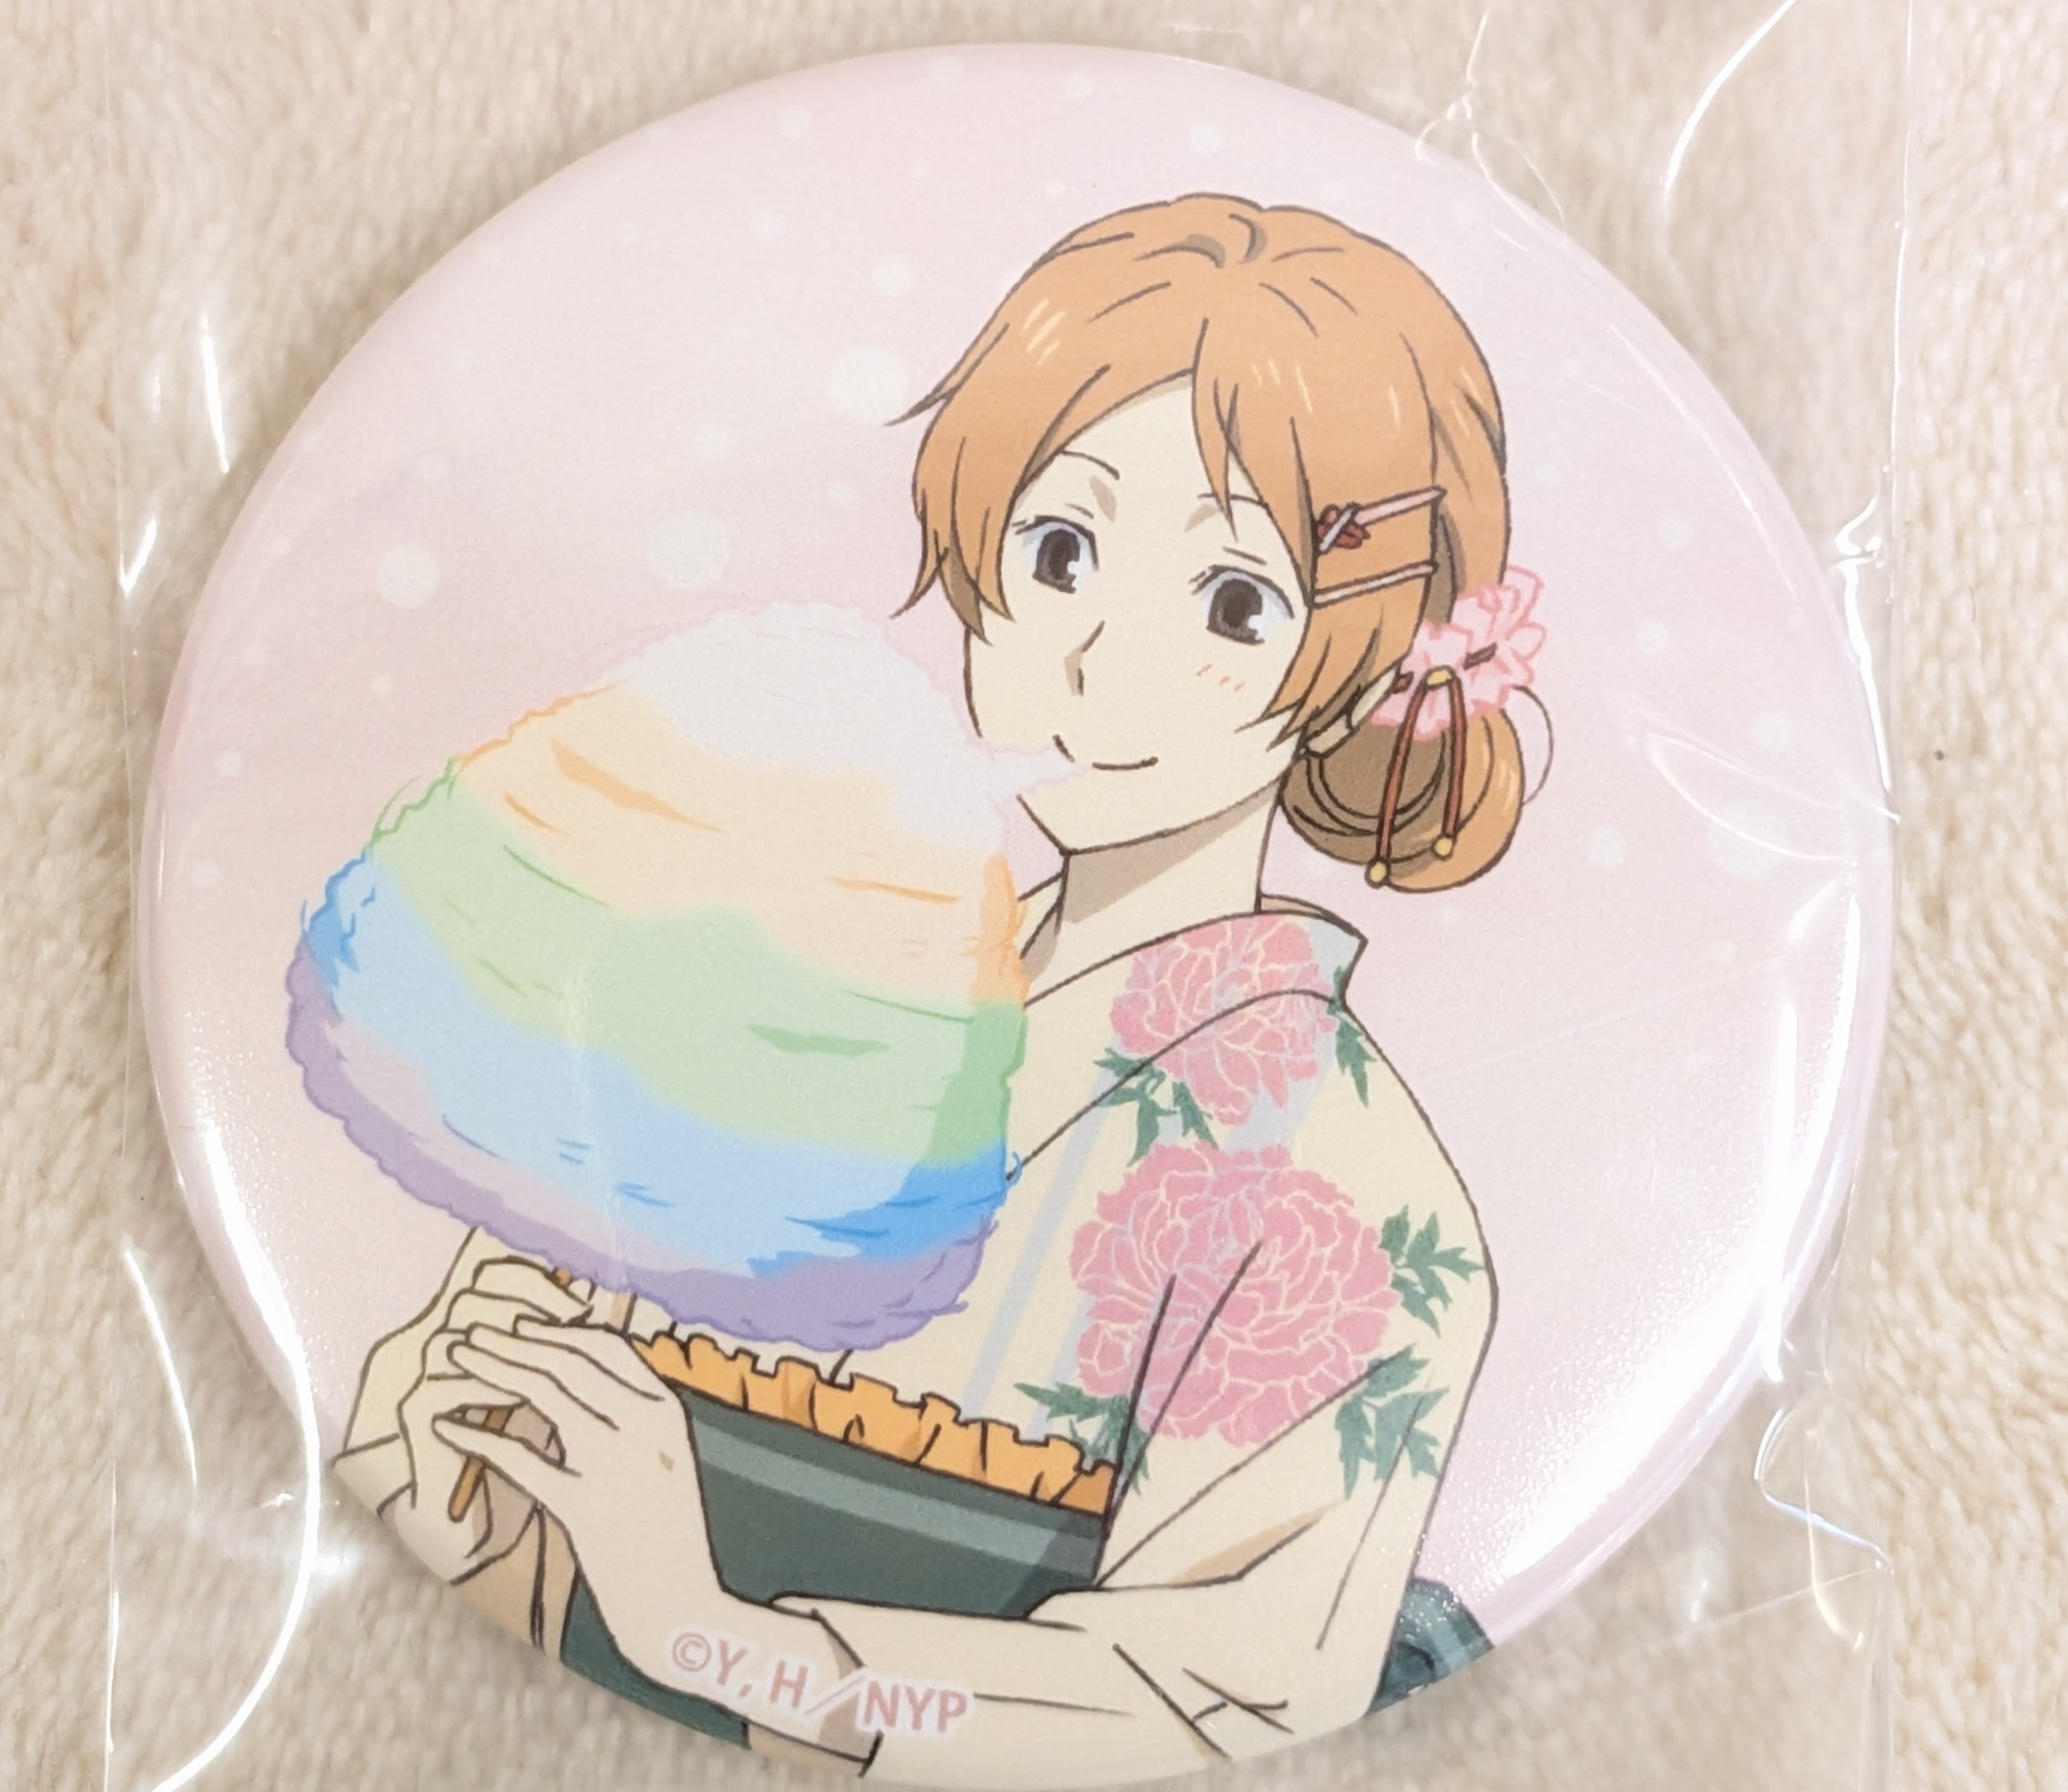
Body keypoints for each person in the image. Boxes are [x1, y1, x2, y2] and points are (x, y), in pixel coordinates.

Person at [333, 194, 1543, 1783]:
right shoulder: (791, 974)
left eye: (1231, 602)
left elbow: (1209, 1695)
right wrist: (458, 1463)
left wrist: (701, 1621)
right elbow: (502, 1414)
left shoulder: (1356, 1193)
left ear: (1363, 676)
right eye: (1061, 552)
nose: (1098, 656)